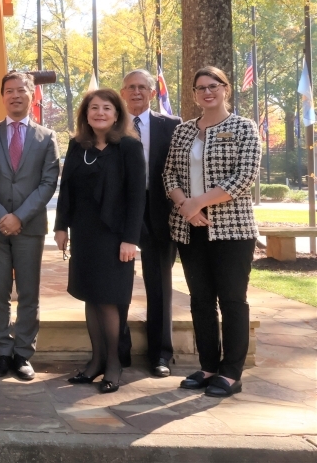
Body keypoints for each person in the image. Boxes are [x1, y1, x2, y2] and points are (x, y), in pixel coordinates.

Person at [163, 66, 261, 398]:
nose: (207, 92)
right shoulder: (183, 132)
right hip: (191, 230)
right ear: (193, 95)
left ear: (226, 89)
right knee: (201, 300)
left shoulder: (244, 128)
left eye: (213, 86)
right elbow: (169, 175)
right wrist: (186, 207)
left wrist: (198, 202)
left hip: (232, 230)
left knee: (232, 300)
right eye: (200, 88)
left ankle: (231, 372)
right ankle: (208, 366)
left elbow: (243, 177)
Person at [54, 89, 145, 394]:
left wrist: (130, 239)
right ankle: (95, 363)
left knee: (109, 300)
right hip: (85, 233)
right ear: (86, 114)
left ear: (117, 114)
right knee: (91, 298)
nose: (100, 113)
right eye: (94, 108)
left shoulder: (130, 147)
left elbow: (136, 198)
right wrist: (61, 227)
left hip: (116, 236)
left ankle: (114, 366)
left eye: (107, 108)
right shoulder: (78, 145)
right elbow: (66, 190)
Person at [0, 71, 60, 382]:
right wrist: (1, 215)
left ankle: (23, 353)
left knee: (29, 293)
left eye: (21, 91)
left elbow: (48, 182)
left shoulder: (47, 137)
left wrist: (20, 216)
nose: (15, 96)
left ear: (32, 96)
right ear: (2, 96)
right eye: (9, 91)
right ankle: (2, 351)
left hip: (29, 226)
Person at [119, 69, 180, 378]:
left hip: (159, 212)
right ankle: (120, 351)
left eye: (143, 87)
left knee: (159, 285)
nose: (137, 92)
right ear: (122, 92)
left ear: (153, 93)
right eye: (131, 87)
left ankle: (160, 354)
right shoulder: (111, 125)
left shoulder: (172, 125)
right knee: (118, 285)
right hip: (121, 214)